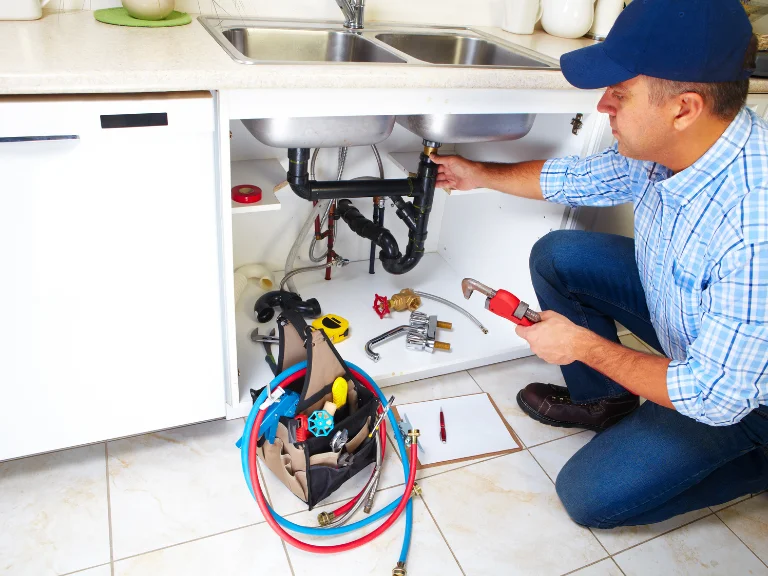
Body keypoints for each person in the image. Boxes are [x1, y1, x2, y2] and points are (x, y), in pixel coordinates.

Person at [431, 0, 768, 528]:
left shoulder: (753, 229)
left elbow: (714, 396)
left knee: (589, 496)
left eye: (621, 93)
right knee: (560, 256)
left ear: (684, 108)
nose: (603, 105)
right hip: (691, 331)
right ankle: (606, 401)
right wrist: (476, 172)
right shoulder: (674, 145)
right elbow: (579, 178)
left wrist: (584, 345)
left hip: (743, 398)